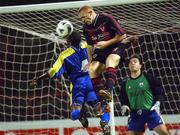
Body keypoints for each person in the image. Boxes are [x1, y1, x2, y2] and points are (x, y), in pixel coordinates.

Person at [31, 31, 111, 135]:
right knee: (99, 107)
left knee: (75, 111)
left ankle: (80, 114)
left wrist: (39, 78)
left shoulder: (64, 55)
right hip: (92, 81)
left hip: (78, 84)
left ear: (69, 41)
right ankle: (104, 123)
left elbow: (53, 71)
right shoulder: (87, 45)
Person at [78, 5, 134, 102]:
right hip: (101, 50)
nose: (83, 20)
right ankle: (102, 100)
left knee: (110, 61)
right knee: (91, 69)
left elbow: (122, 35)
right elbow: (90, 46)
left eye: (84, 17)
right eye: (81, 18)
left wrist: (106, 43)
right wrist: (90, 62)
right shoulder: (86, 28)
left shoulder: (106, 18)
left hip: (116, 46)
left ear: (90, 12)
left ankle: (108, 90)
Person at [120, 54, 169, 135]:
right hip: (135, 114)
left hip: (150, 111)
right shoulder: (125, 83)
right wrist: (124, 105)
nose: (132, 63)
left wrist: (158, 102)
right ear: (128, 66)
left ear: (140, 65)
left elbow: (159, 91)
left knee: (164, 133)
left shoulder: (148, 78)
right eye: (130, 62)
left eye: (135, 61)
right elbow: (123, 97)